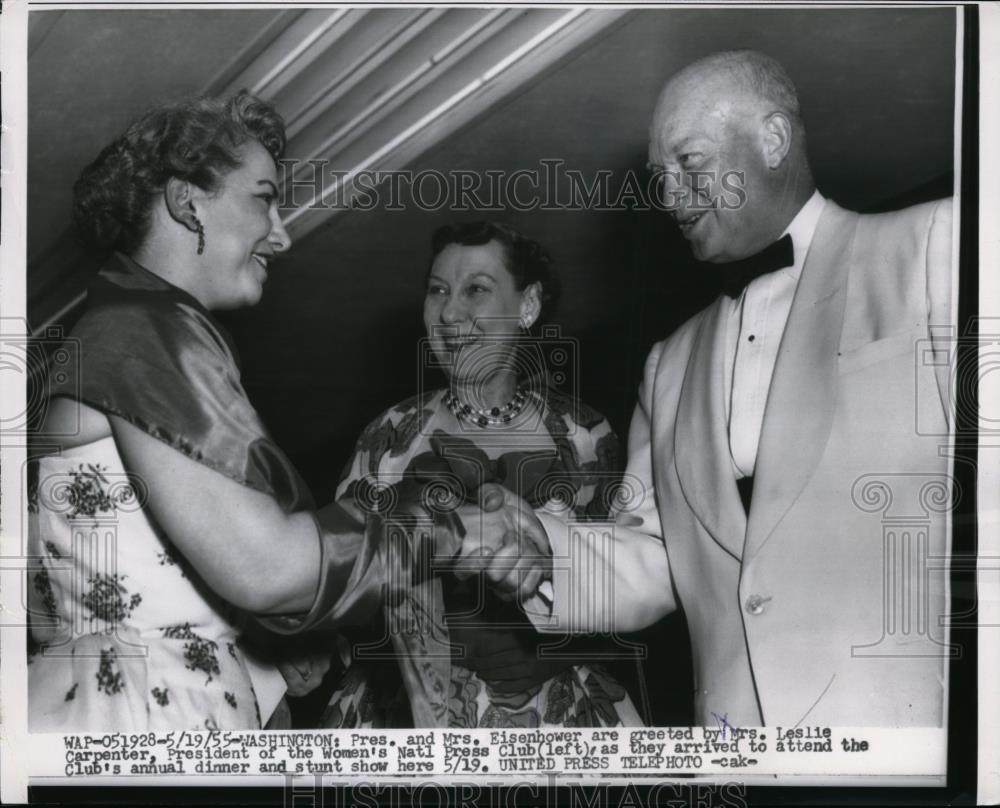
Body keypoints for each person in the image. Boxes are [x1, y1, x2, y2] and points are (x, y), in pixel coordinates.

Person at [26, 94, 531, 732]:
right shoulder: (144, 330)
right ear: (189, 202)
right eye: (264, 198)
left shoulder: (104, 336)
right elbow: (266, 569)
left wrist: (267, 650)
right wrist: (452, 531)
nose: (284, 232)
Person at [516, 50, 955, 728]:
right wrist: (539, 553)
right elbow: (657, 558)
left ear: (773, 139)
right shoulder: (668, 364)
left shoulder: (939, 242)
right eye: (660, 178)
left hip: (914, 742)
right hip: (735, 761)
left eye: (689, 164)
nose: (667, 198)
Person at [298, 222, 642, 729]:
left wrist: (544, 646)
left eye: (475, 290)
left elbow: (633, 579)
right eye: (438, 290)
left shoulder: (586, 437)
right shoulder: (388, 435)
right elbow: (333, 583)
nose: (451, 312)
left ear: (527, 306)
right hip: (407, 711)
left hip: (556, 715)